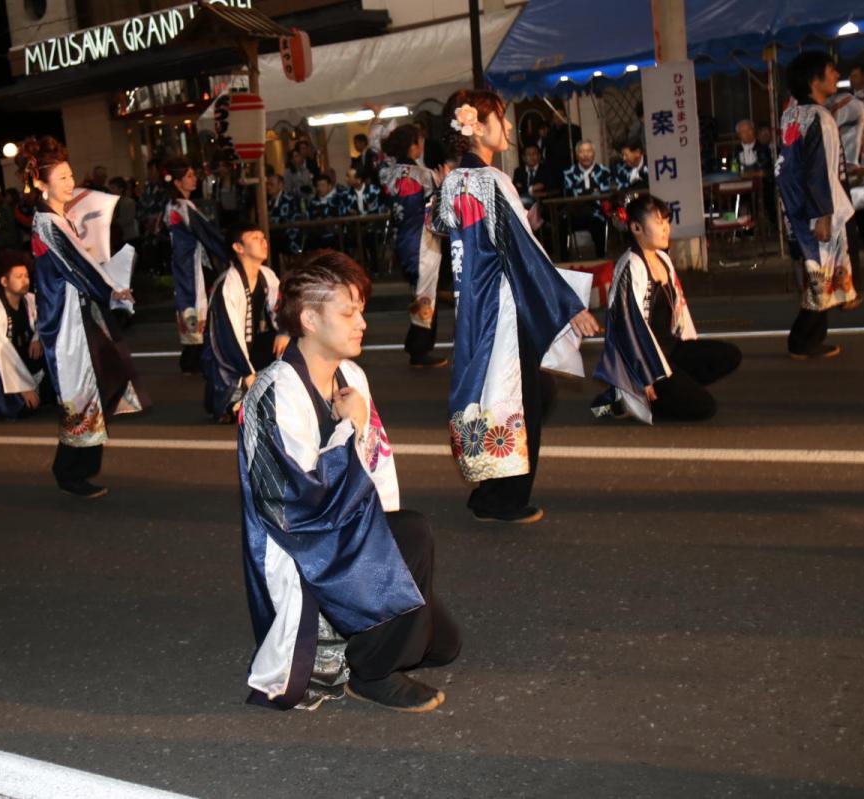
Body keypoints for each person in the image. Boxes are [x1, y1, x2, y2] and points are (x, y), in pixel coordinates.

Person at [239, 251, 460, 712]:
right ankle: (373, 672)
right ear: (309, 319)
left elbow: (378, 469)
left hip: (349, 529)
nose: (361, 322)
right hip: (305, 550)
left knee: (445, 645)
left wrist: (385, 542)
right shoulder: (272, 393)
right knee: (414, 532)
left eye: (360, 309)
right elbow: (296, 506)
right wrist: (350, 427)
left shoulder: (351, 375)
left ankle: (385, 627)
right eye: (348, 311)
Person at [438, 89, 600, 523]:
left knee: (514, 395)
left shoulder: (455, 181)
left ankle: (490, 490)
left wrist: (520, 223)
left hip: (475, 307)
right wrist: (567, 306)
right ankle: (503, 498)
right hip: (503, 310)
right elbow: (520, 254)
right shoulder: (492, 181)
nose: (509, 127)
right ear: (476, 127)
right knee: (520, 400)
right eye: (500, 120)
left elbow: (474, 238)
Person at [15, 135, 148, 497]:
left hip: (78, 315)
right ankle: (71, 471)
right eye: (62, 178)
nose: (71, 183)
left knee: (95, 388)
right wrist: (111, 290)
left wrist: (109, 287)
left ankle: (74, 468)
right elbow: (76, 267)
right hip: (68, 323)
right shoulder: (47, 222)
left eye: (71, 175)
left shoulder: (59, 218)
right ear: (40, 184)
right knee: (82, 394)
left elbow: (82, 265)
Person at [592, 194, 741, 423]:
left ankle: (672, 390)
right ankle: (624, 399)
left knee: (728, 355)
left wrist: (690, 343)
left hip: (668, 351)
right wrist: (645, 376)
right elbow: (628, 328)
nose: (666, 228)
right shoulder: (630, 266)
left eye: (666, 221)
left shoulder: (662, 258)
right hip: (645, 362)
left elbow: (680, 309)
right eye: (659, 222)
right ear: (636, 228)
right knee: (705, 408)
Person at [776, 51, 858, 359]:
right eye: (831, 70)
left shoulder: (791, 115)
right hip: (817, 209)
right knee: (819, 275)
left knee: (817, 272)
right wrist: (823, 213)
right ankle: (802, 341)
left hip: (797, 207)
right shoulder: (820, 118)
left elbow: (788, 167)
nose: (837, 75)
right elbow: (819, 169)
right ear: (814, 80)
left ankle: (811, 338)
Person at [200, 224, 288, 422]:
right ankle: (235, 398)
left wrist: (284, 332)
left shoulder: (267, 275)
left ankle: (270, 392)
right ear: (238, 248)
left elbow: (282, 309)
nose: (263, 242)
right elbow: (226, 338)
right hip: (226, 361)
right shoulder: (228, 285)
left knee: (290, 340)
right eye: (255, 238)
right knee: (237, 413)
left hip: (250, 351)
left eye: (263, 237)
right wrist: (249, 375)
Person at [382, 125, 447, 368]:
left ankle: (415, 343)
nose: (422, 145)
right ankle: (419, 349)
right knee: (425, 295)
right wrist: (442, 185)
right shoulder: (423, 175)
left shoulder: (391, 173)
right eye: (420, 141)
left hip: (403, 240)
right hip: (422, 241)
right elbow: (437, 206)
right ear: (413, 146)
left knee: (421, 293)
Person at [165, 156, 230, 374]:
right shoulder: (183, 207)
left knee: (193, 304)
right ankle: (194, 358)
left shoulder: (173, 205)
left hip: (184, 264)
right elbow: (207, 233)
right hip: (191, 265)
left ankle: (194, 356)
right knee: (198, 303)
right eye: (189, 176)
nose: (194, 180)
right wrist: (231, 251)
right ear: (177, 182)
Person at [0, 249, 52, 419]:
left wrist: (37, 338)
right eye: (19, 277)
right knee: (21, 409)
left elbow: (47, 318)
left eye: (26, 276)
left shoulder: (30, 300)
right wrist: (24, 388)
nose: (25, 281)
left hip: (25, 358)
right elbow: (2, 356)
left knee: (51, 344)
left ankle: (43, 391)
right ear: (4, 281)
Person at [562, 140, 611, 257]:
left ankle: (601, 258)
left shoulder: (604, 171)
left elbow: (604, 193)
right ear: (576, 154)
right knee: (562, 224)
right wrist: (592, 192)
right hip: (575, 212)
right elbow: (570, 193)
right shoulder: (569, 173)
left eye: (588, 151)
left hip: (597, 213)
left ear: (594, 153)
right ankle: (563, 262)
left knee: (599, 224)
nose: (585, 155)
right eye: (582, 152)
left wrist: (583, 194)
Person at [266, 172, 305, 263]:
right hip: (274, 237)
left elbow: (291, 219)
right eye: (267, 184)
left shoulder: (290, 199)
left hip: (289, 236)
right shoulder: (268, 202)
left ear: (281, 185)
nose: (268, 187)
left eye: (271, 184)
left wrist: (272, 221)